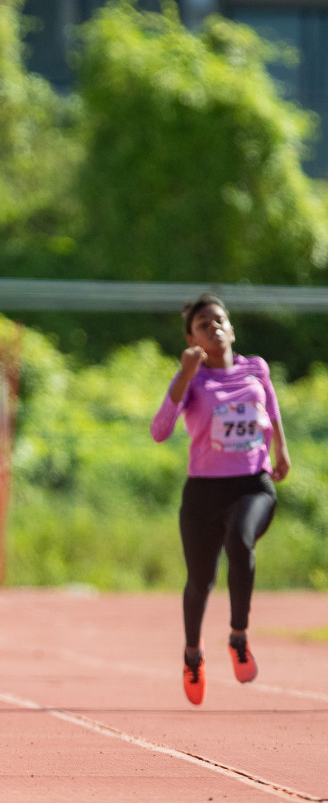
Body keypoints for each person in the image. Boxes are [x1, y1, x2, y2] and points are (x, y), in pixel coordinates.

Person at [151, 293, 289, 706]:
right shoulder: (193, 379)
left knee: (240, 542)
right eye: (203, 324)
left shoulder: (256, 368)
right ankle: (193, 653)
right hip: (204, 492)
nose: (214, 327)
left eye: (219, 320)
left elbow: (273, 407)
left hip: (252, 483)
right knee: (200, 582)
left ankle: (238, 635)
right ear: (191, 338)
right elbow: (160, 431)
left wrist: (281, 449)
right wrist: (183, 374)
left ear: (231, 328)